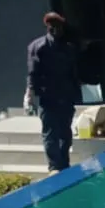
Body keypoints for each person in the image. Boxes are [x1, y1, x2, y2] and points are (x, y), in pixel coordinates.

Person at [25, 12, 80, 172]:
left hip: (66, 96)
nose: (56, 30)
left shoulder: (68, 48)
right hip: (48, 97)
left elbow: (73, 73)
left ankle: (64, 164)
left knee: (65, 132)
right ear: (48, 27)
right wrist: (29, 95)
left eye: (59, 27)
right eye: (53, 27)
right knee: (50, 133)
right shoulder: (38, 47)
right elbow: (32, 73)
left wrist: (76, 92)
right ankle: (54, 166)